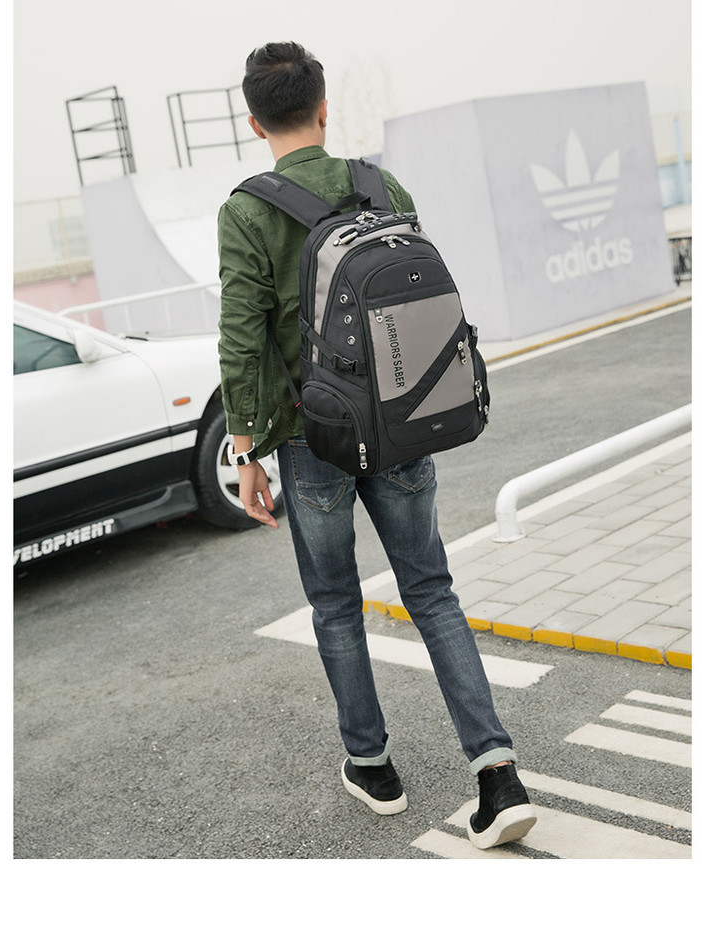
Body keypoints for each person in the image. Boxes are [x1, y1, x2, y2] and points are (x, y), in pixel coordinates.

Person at [217, 41, 537, 850]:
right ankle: (497, 774)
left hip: (310, 440)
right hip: (399, 426)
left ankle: (373, 767)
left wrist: (245, 450)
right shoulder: (379, 186)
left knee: (335, 604)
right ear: (324, 108)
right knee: (432, 592)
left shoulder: (247, 212)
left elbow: (241, 337)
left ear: (254, 122)